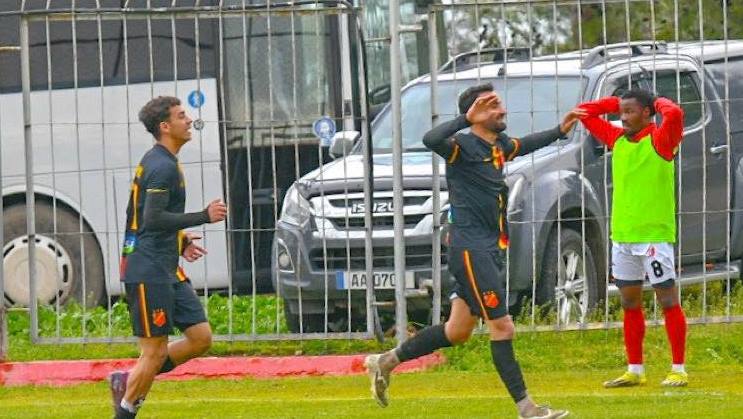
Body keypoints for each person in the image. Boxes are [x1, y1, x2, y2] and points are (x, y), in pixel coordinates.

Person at [364, 83, 581, 419]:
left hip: (488, 248)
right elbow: (431, 139)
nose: (502, 110)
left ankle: (385, 361)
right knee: (503, 327)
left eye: (499, 104)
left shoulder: (499, 145)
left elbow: (523, 145)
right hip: (471, 250)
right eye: (492, 106)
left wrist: (559, 130)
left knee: (457, 331)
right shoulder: (461, 146)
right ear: (475, 113)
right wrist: (464, 119)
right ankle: (527, 409)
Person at [109, 96, 228, 418]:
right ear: (165, 126)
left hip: (166, 268)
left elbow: (142, 216)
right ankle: (125, 410)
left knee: (200, 337)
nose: (188, 121)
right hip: (148, 269)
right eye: (181, 116)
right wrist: (204, 216)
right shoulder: (162, 166)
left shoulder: (164, 161)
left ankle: (128, 381)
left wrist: (181, 240)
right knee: (154, 352)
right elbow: (152, 219)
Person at [574, 89, 687, 388]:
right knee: (628, 302)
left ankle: (678, 368)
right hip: (622, 236)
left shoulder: (661, 140)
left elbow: (675, 113)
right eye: (620, 112)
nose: (622, 118)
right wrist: (619, 102)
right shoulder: (617, 139)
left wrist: (655, 100)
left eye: (630, 112)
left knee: (667, 299)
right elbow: (584, 111)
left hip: (653, 237)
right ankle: (635, 369)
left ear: (648, 113)